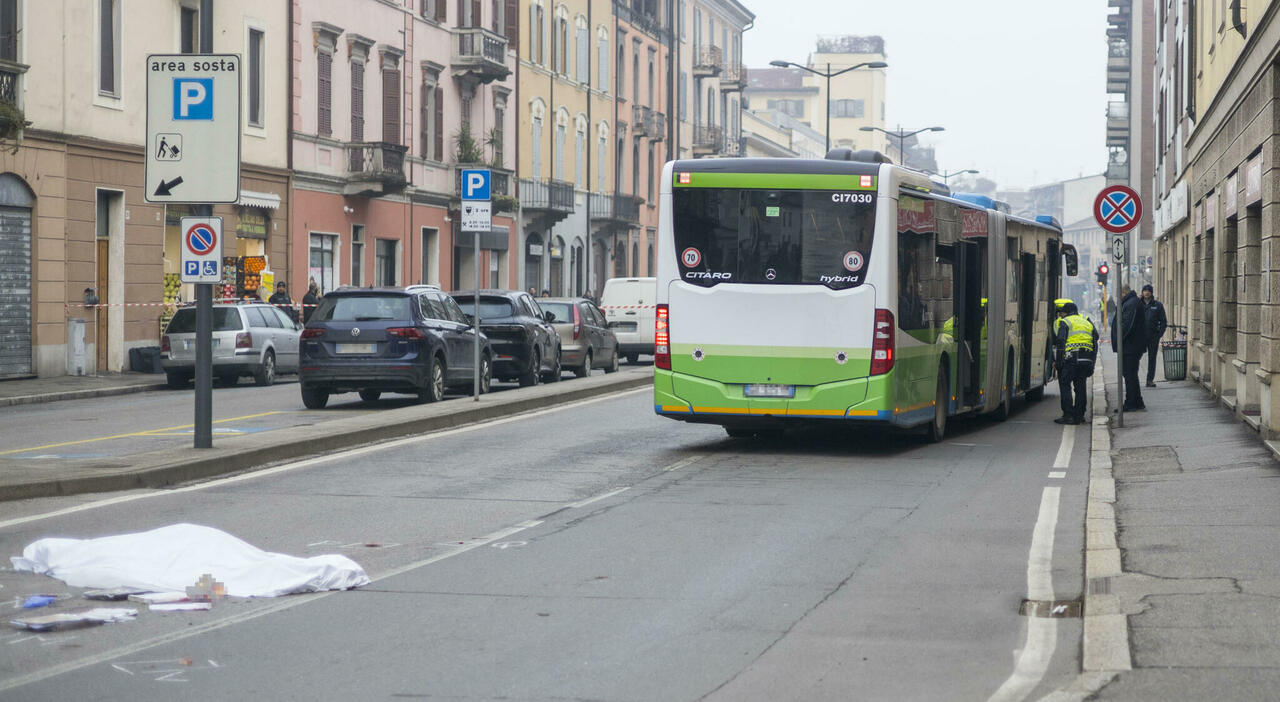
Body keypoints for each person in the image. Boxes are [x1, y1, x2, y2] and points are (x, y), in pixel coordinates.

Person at [1052, 300, 1098, 425]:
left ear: (1065, 313)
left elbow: (1061, 342)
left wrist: (1059, 362)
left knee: (1065, 385)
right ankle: (1079, 415)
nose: (1060, 315)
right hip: (1086, 358)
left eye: (1061, 313)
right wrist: (1092, 361)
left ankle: (1068, 415)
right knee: (1080, 386)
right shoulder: (1086, 321)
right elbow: (1095, 338)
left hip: (1071, 358)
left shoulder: (1065, 322)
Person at [1111, 283, 1147, 411]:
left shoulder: (1131, 304)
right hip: (1131, 346)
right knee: (1131, 374)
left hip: (1130, 346)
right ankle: (1137, 401)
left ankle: (1131, 403)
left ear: (1124, 293)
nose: (1117, 297)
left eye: (1118, 295)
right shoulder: (1130, 302)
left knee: (1129, 375)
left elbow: (1126, 325)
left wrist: (1119, 340)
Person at [1142, 284, 1168, 387]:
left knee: (1152, 358)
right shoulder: (1138, 304)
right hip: (1140, 336)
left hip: (1153, 336)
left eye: (1148, 291)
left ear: (1151, 293)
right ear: (1142, 292)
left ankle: (1150, 379)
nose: (1146, 292)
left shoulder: (1157, 305)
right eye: (1145, 290)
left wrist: (1159, 334)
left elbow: (1163, 321)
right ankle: (1133, 379)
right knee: (1135, 358)